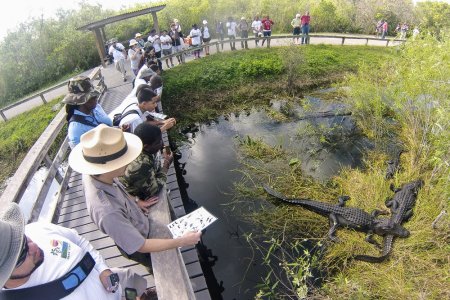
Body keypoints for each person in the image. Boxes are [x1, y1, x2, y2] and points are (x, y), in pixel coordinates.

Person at [68, 125, 202, 269]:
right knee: (161, 267)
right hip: (141, 244)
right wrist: (182, 241)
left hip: (140, 222)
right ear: (108, 166)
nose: (129, 162)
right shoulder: (107, 211)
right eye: (123, 159)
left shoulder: (96, 173)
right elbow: (141, 246)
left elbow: (119, 188)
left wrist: (136, 201)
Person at [0, 202, 149, 300]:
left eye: (24, 239)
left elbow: (78, 240)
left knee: (139, 285)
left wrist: (103, 269)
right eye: (22, 254)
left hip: (117, 283)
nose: (34, 247)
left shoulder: (38, 229)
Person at [121, 123, 173, 210]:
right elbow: (155, 190)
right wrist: (166, 164)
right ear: (146, 146)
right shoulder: (141, 164)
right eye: (158, 142)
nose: (161, 144)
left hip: (139, 178)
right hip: (133, 195)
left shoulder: (136, 144)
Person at [63, 76, 112, 149]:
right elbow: (82, 155)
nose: (96, 97)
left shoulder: (95, 107)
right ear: (82, 101)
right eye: (92, 96)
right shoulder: (76, 129)